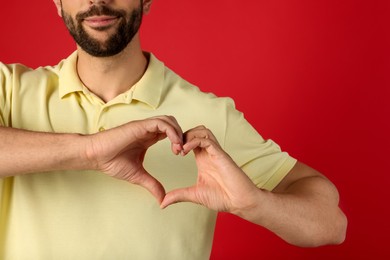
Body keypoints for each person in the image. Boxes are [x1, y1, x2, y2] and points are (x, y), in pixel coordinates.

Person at [0, 0, 347, 259]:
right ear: (57, 2)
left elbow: (331, 223)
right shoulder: (10, 90)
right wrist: (90, 151)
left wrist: (255, 203)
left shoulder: (210, 115)